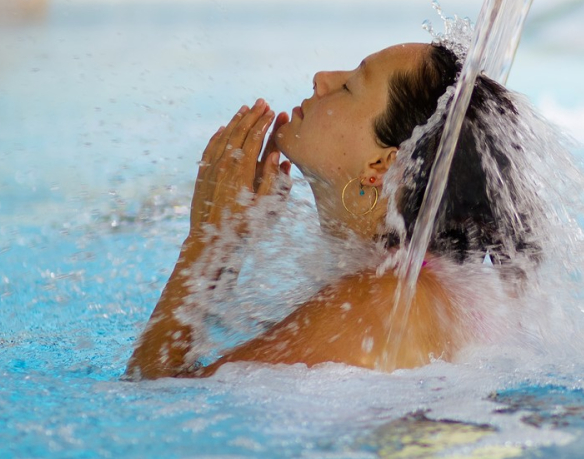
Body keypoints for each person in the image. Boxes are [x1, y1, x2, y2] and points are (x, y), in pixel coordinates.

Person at [126, 40, 537, 378]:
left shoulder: (378, 300)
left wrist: (205, 240)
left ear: (381, 166)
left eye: (350, 88)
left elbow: (154, 398)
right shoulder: (426, 288)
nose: (322, 79)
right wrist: (231, 241)